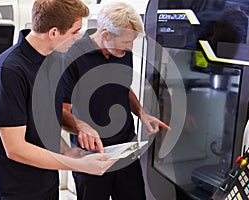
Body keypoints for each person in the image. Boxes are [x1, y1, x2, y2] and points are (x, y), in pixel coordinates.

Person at [0, 0, 116, 199]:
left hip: (47, 182)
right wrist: (79, 165)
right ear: (54, 32)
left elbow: (50, 115)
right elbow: (15, 149)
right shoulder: (8, 71)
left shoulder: (53, 59)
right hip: (17, 190)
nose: (79, 37)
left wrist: (78, 129)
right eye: (75, 31)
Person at [60, 2, 171, 200]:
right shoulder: (73, 54)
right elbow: (62, 110)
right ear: (105, 35)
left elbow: (123, 88)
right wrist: (80, 127)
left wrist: (142, 114)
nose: (130, 48)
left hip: (125, 146)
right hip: (91, 153)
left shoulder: (122, 52)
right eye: (126, 42)